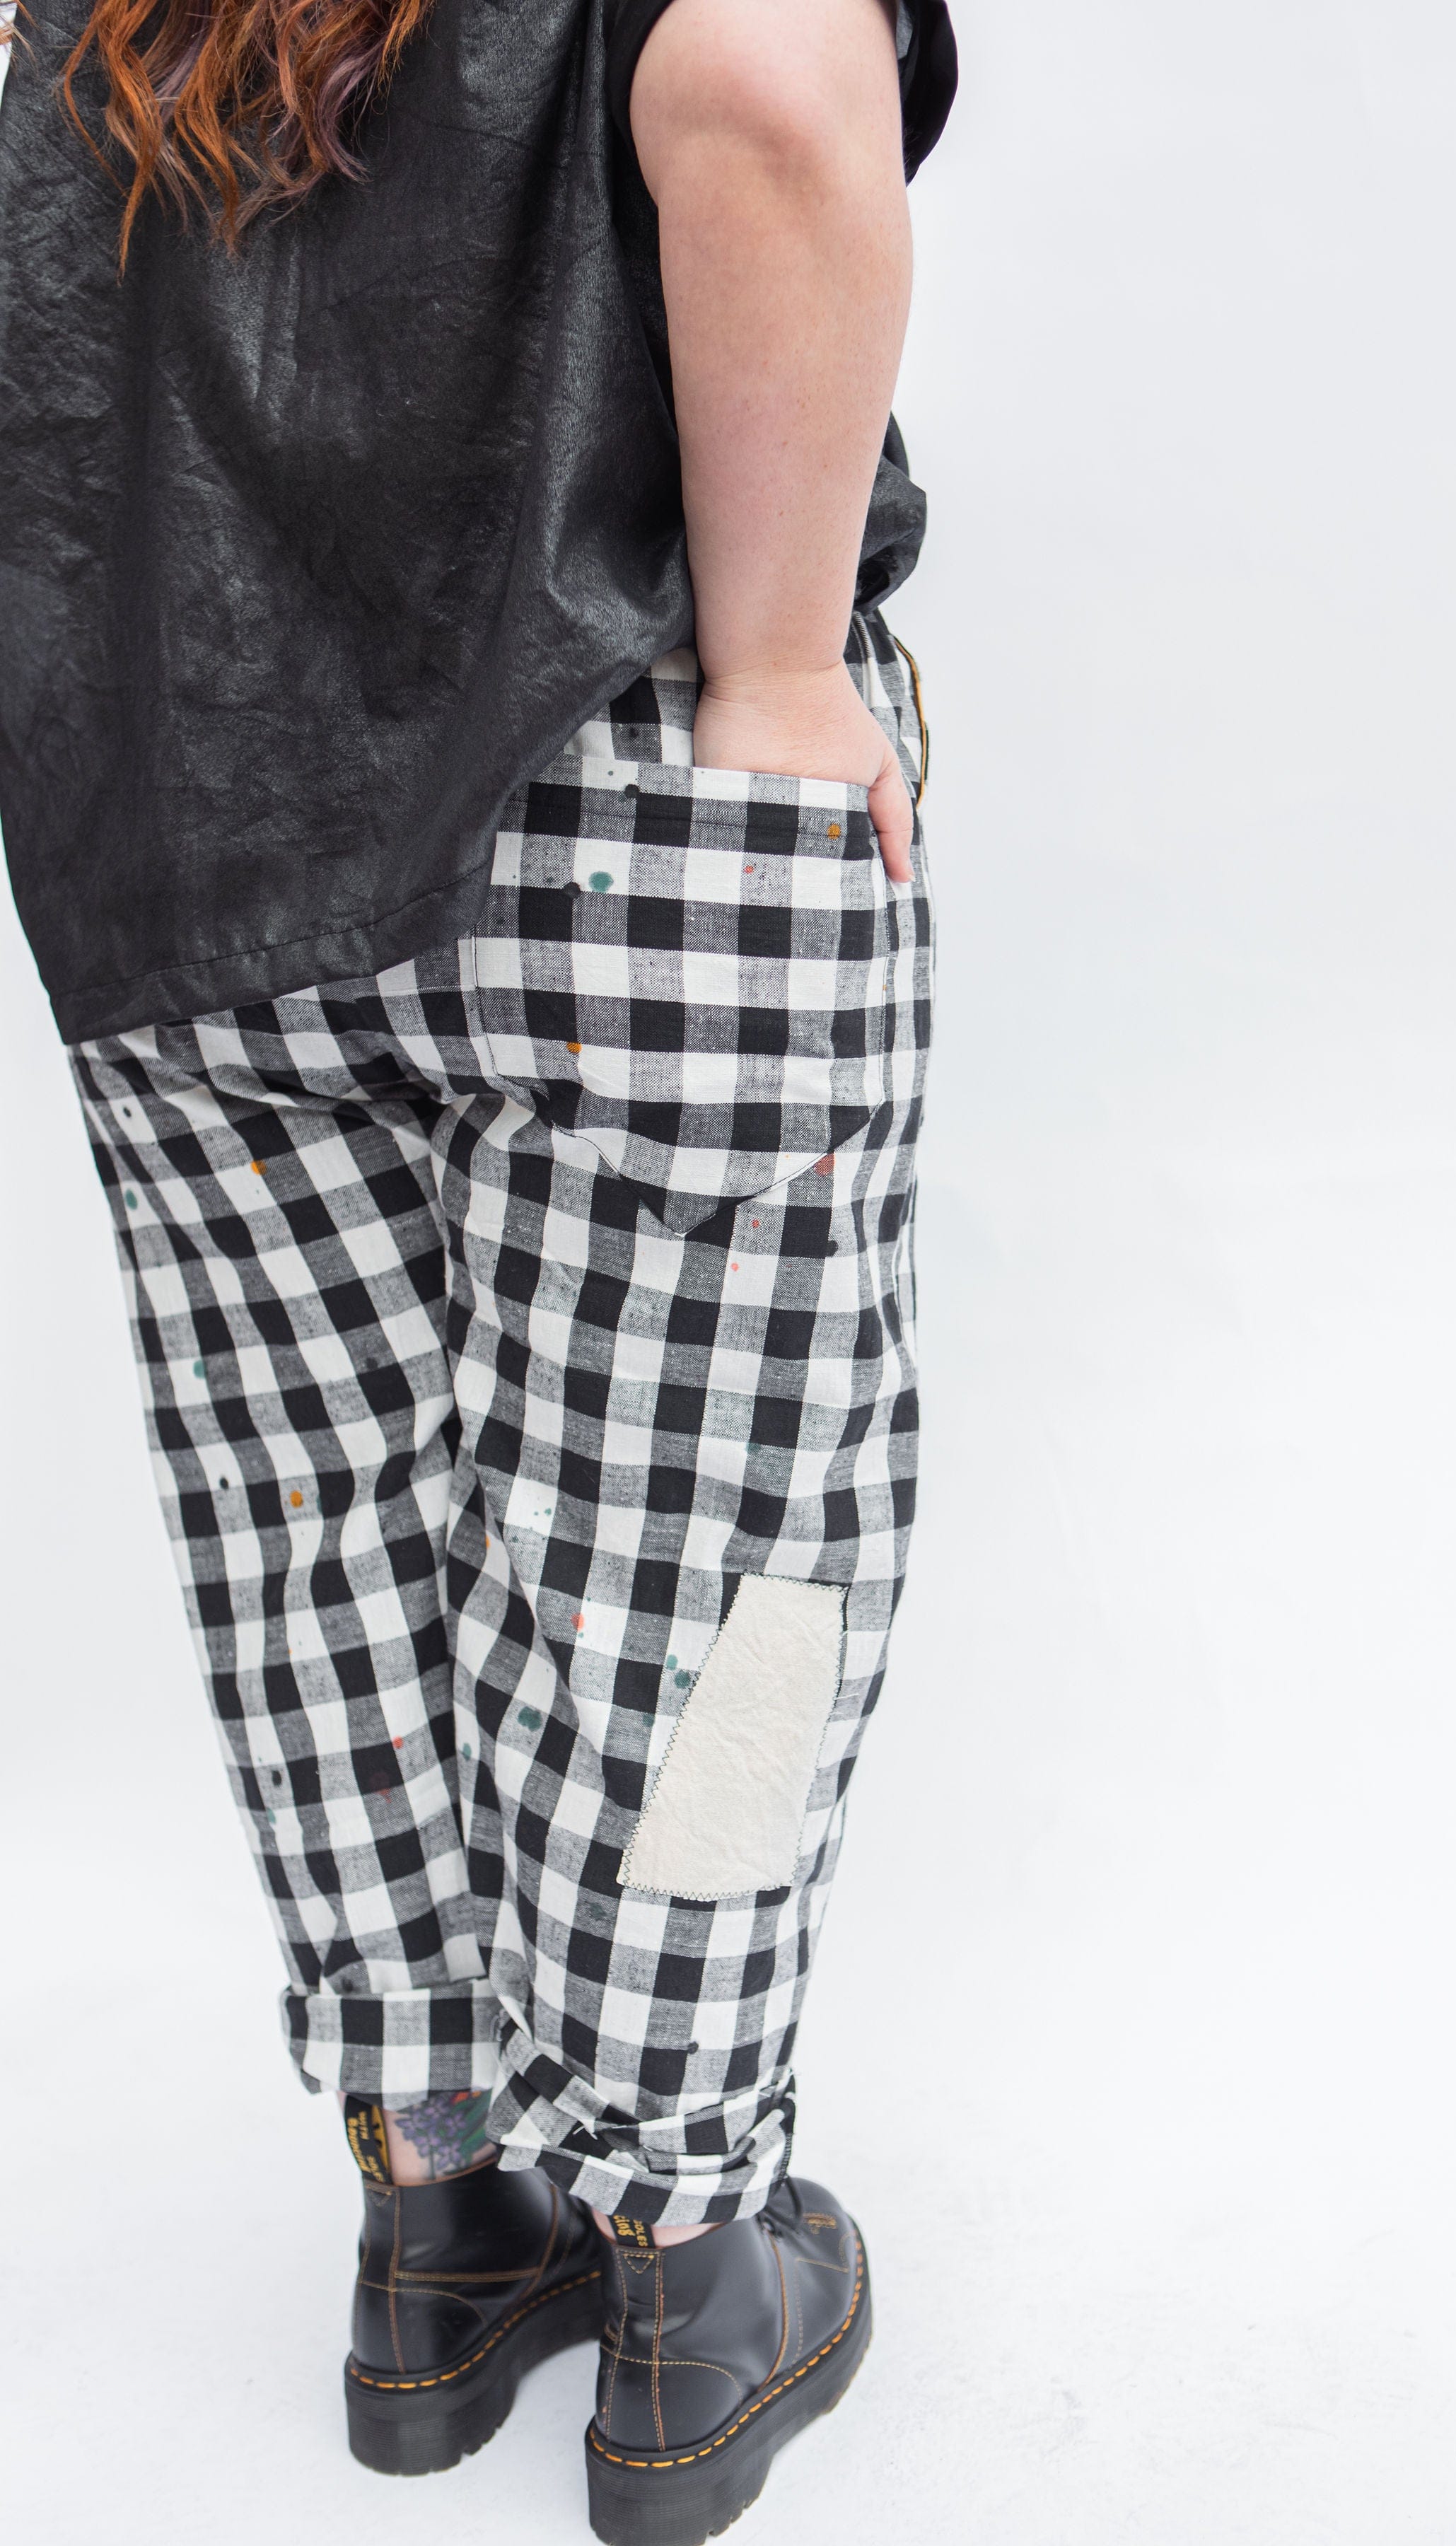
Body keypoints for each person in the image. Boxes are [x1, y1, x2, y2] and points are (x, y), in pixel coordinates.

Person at [0, 0, 954, 2535]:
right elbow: (766, 86)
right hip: (626, 797)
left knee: (310, 1531)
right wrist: (781, 670)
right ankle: (682, 2258)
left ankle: (434, 2219)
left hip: (181, 821)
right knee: (708, 1560)